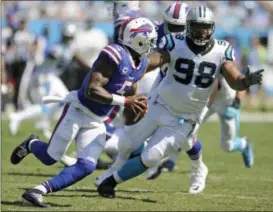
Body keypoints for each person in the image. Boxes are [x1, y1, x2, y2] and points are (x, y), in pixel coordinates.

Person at [96, 6, 264, 198]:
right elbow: (154, 60)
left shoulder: (221, 49)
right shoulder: (174, 42)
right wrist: (132, 71)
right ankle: (110, 172)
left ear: (213, 27)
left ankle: (111, 182)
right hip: (159, 105)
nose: (202, 31)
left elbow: (234, 79)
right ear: (188, 26)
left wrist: (245, 81)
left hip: (184, 118)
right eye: (198, 26)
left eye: (206, 27)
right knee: (127, 143)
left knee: (152, 157)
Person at [10, 17, 158, 208]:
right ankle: (31, 144)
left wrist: (134, 109)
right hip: (78, 110)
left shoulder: (139, 64)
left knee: (87, 166)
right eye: (149, 41)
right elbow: (92, 89)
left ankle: (37, 191)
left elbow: (131, 89)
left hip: (98, 120)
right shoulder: (114, 54)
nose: (151, 46)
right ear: (137, 39)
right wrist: (126, 101)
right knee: (49, 158)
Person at [93, 1, 190, 184]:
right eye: (173, 26)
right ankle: (113, 162)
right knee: (128, 129)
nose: (176, 32)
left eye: (180, 27)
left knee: (183, 137)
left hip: (174, 92)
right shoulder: (150, 29)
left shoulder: (193, 41)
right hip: (149, 81)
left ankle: (136, 156)